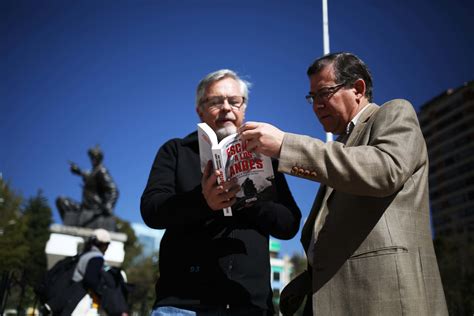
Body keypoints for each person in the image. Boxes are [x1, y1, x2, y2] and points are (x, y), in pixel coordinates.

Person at [239, 52, 448, 315]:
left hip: (384, 299)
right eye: (312, 98)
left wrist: (285, 145)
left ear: (358, 89)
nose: (317, 105)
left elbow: (385, 170)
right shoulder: (338, 148)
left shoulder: (394, 112)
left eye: (324, 93)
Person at [141, 69, 301, 316]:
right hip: (182, 304)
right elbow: (152, 210)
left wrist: (252, 201)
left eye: (234, 101)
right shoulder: (175, 150)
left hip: (251, 305)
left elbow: (289, 224)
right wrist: (202, 201)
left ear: (244, 108)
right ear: (200, 110)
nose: (226, 108)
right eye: (216, 101)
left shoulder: (265, 155)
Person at [56, 145, 119, 231]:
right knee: (62, 201)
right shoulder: (93, 171)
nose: (92, 159)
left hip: (95, 208)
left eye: (94, 157)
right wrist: (79, 171)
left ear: (99, 158)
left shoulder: (101, 170)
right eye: (91, 157)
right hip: (84, 208)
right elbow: (88, 175)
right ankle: (70, 227)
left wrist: (109, 204)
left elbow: (113, 190)